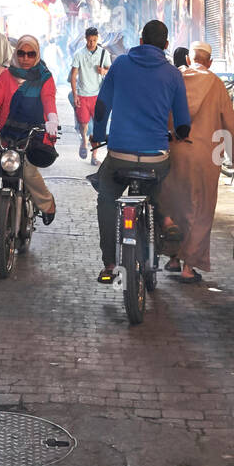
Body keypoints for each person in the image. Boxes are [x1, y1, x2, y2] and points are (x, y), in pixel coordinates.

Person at [90, 19, 190, 284]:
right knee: (157, 187)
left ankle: (110, 263)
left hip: (120, 155)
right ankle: (165, 221)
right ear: (166, 45)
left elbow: (102, 107)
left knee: (107, 197)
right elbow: (183, 123)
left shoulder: (121, 64)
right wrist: (179, 134)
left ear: (141, 41)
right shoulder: (173, 74)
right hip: (156, 156)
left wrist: (97, 136)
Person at [161, 41, 234, 283]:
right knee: (200, 211)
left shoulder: (175, 78)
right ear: (210, 61)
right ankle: (188, 267)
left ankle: (172, 258)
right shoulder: (216, 84)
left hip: (173, 153)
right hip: (205, 157)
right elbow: (229, 123)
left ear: (188, 60)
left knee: (175, 206)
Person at [0, 34, 58, 236]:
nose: (25, 58)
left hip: (32, 133)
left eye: (31, 54)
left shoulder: (44, 77)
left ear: (36, 55)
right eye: (21, 53)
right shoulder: (6, 75)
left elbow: (48, 99)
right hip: (5, 132)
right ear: (16, 53)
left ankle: (47, 204)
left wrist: (52, 119)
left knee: (28, 172)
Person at [70, 27, 111, 164]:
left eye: (94, 40)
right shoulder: (79, 54)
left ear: (97, 39)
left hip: (97, 96)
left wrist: (103, 71)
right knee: (83, 124)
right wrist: (75, 94)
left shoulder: (104, 53)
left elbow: (110, 70)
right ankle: (84, 140)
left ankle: (94, 156)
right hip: (82, 95)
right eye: (89, 40)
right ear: (85, 39)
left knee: (98, 127)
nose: (92, 43)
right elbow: (74, 75)